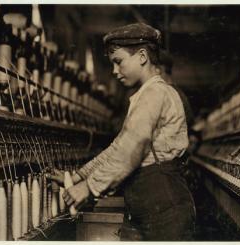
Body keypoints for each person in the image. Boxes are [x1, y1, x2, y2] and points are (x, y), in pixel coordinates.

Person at [49, 23, 196, 241]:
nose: (114, 71)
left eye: (118, 62)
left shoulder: (155, 94)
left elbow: (131, 149)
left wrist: (89, 187)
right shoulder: (145, 95)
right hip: (148, 205)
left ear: (142, 56)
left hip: (165, 206)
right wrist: (79, 176)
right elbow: (119, 147)